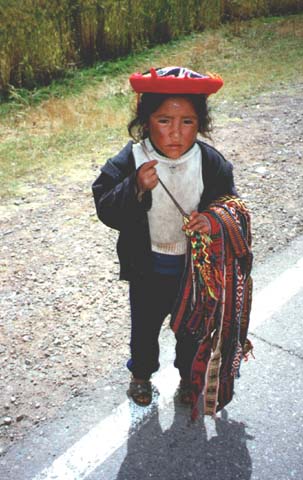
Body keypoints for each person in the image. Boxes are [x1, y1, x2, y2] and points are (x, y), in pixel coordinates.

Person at [92, 67, 253, 415]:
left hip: (193, 272)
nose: (176, 133)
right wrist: (133, 187)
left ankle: (188, 378)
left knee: (192, 333)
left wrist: (212, 221)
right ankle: (141, 375)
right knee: (145, 329)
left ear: (201, 124)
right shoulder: (131, 160)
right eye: (164, 120)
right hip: (147, 268)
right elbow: (105, 207)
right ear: (146, 120)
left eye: (188, 122)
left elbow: (232, 206)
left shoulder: (210, 163)